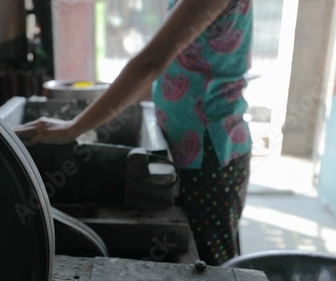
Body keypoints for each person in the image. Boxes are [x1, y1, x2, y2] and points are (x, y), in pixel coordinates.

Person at [15, 0, 253, 265]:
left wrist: (73, 128)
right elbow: (163, 71)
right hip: (195, 148)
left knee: (209, 265)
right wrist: (91, 121)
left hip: (209, 155)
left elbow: (150, 64)